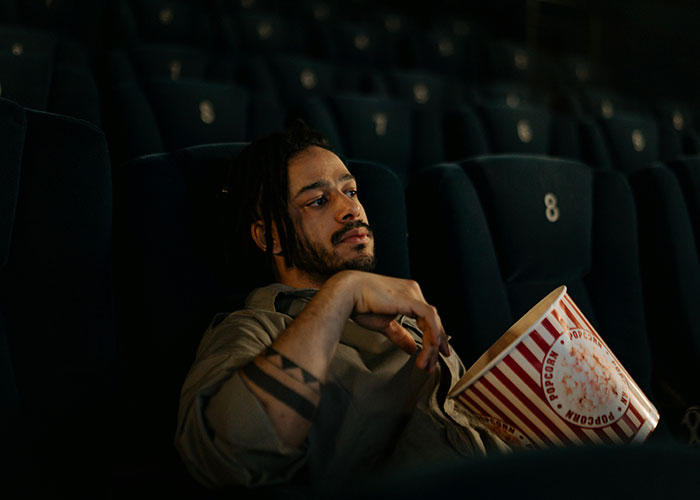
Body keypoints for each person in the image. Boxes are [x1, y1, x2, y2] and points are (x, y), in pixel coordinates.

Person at [174, 119, 509, 495]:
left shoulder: (403, 309)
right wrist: (341, 294)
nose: (351, 209)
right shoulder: (255, 328)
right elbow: (229, 455)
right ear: (270, 236)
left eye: (350, 190)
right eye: (318, 200)